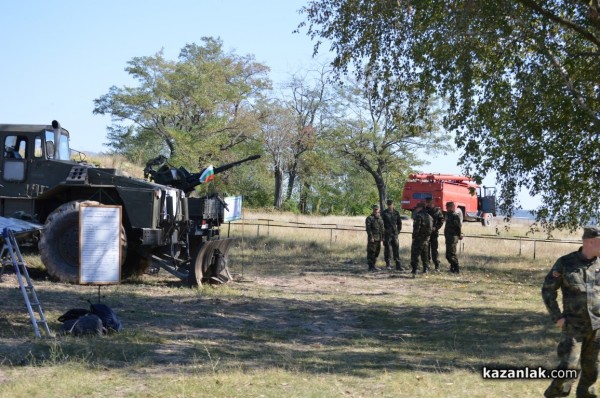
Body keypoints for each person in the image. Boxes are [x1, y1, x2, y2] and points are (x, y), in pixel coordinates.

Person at [541, 226, 600, 398]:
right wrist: (557, 316)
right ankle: (555, 394)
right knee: (568, 366)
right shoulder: (566, 263)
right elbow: (548, 290)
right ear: (590, 241)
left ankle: (587, 395)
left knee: (592, 368)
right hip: (574, 326)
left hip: (597, 326)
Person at [381, 199, 405, 271]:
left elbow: (399, 223)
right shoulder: (384, 213)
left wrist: (398, 231)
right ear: (387, 205)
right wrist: (383, 234)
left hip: (394, 234)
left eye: (391, 204)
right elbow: (381, 224)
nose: (389, 206)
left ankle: (398, 265)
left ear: (393, 205)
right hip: (387, 234)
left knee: (396, 250)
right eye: (388, 205)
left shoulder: (396, 213)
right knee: (387, 250)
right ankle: (388, 264)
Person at [410, 201, 433, 277]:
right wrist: (427, 237)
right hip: (426, 239)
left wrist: (414, 237)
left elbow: (416, 228)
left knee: (415, 254)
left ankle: (414, 269)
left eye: (417, 207)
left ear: (421, 208)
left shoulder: (419, 216)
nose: (416, 209)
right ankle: (425, 269)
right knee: (425, 255)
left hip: (418, 239)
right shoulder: (429, 217)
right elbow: (430, 229)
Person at [425, 197, 445, 272]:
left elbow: (441, 220)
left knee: (434, 251)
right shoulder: (425, 210)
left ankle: (437, 266)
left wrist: (436, 227)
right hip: (426, 234)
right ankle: (427, 266)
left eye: (429, 202)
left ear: (432, 202)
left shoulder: (437, 211)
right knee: (426, 250)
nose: (428, 204)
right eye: (427, 202)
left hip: (434, 234)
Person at [444, 201, 463, 273]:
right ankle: (452, 268)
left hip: (453, 237)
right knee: (448, 254)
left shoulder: (455, 216)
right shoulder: (448, 215)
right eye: (446, 207)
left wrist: (459, 234)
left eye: (448, 207)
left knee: (451, 254)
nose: (446, 208)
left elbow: (458, 227)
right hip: (448, 237)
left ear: (452, 207)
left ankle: (456, 268)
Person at [365, 204, 385, 272]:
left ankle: (374, 265)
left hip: (379, 238)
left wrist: (383, 237)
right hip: (373, 239)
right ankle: (370, 267)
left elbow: (382, 228)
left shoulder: (380, 218)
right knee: (371, 252)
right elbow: (368, 229)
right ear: (373, 210)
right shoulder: (370, 218)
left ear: (379, 210)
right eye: (375, 210)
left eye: (377, 210)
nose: (376, 211)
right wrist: (371, 237)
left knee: (377, 252)